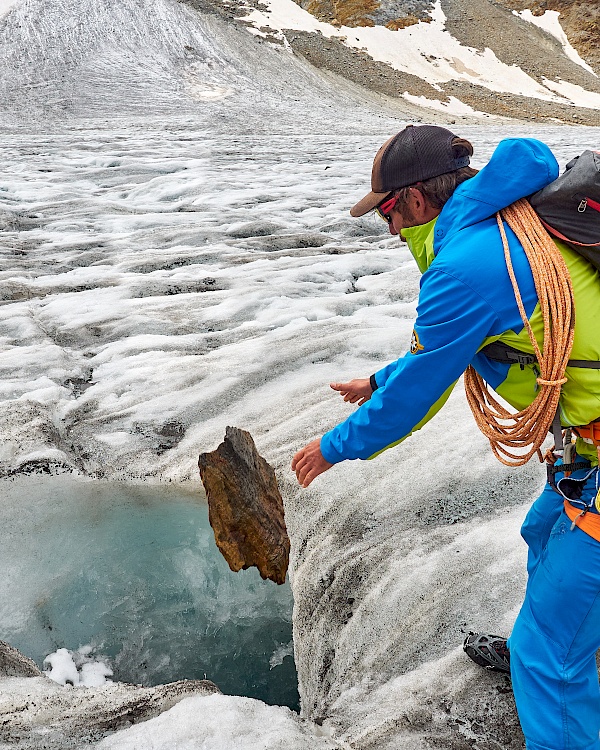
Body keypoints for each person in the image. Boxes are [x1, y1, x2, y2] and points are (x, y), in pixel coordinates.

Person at [291, 124, 600, 750]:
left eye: (386, 212)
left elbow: (420, 391)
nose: (389, 229)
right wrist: (379, 379)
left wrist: (333, 447)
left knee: (549, 661)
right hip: (587, 449)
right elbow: (449, 349)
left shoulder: (466, 265)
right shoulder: (505, 226)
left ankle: (548, 666)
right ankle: (542, 642)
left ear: (414, 199)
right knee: (542, 529)